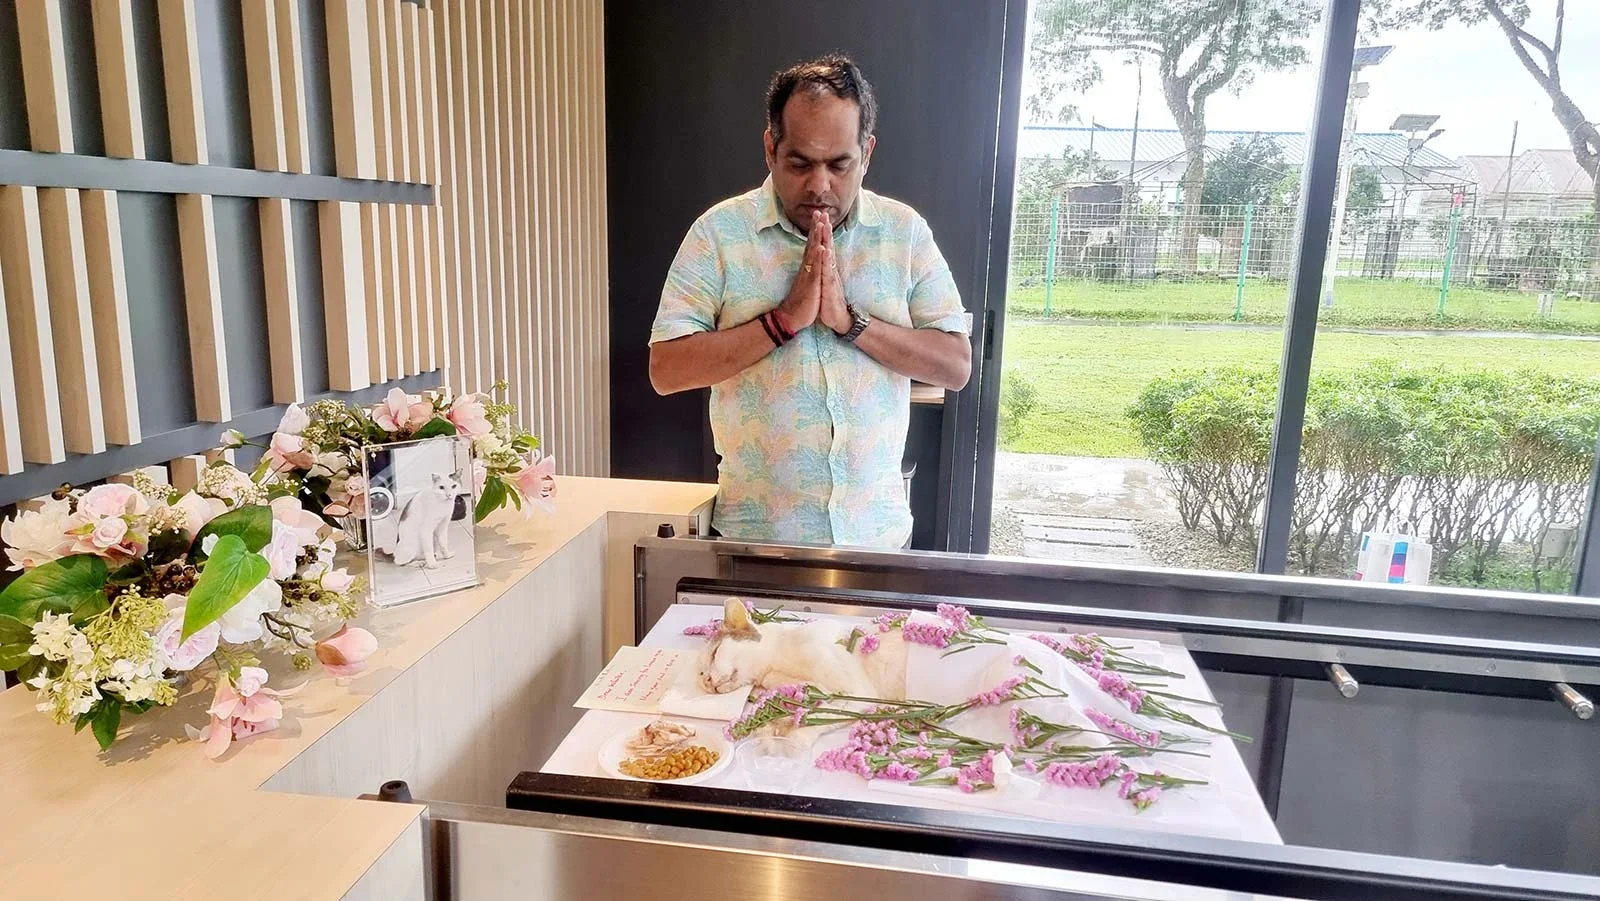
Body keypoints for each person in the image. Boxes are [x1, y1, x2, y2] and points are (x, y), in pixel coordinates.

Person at [649, 55, 971, 549]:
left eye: (840, 164)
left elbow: (955, 365)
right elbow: (666, 370)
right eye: (799, 163)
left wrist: (852, 324)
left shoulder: (904, 233)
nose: (820, 186)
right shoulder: (719, 233)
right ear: (770, 148)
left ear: (867, 153)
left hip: (877, 539)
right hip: (754, 541)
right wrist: (780, 323)